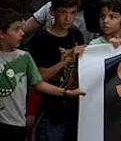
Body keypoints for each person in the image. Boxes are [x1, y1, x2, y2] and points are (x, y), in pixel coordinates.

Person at [0, 9, 85, 138]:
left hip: (17, 124)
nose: (22, 34)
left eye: (22, 29)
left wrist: (66, 93)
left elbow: (39, 84)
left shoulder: (24, 58)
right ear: (2, 33)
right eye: (16, 29)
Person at [28, 0, 86, 141]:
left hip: (74, 107)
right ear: (52, 11)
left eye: (73, 13)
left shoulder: (76, 34)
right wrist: (66, 60)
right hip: (50, 109)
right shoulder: (42, 38)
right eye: (63, 12)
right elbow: (40, 77)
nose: (68, 18)